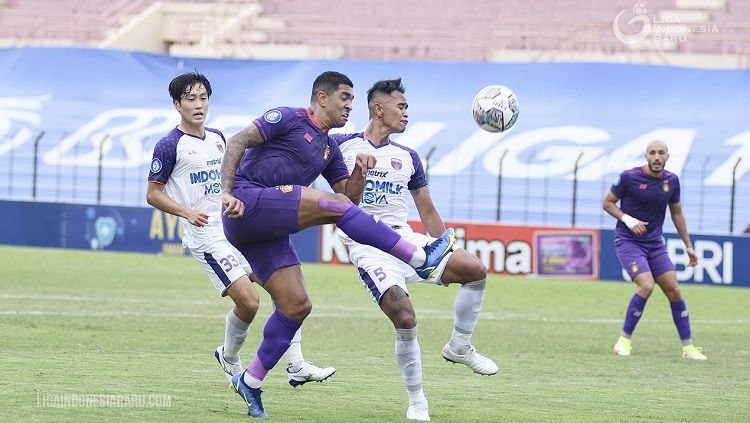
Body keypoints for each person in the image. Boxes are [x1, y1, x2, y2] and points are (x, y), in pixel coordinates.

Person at [220, 71, 456, 419]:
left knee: (296, 306)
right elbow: (237, 141)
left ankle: (251, 380)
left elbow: (348, 198)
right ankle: (418, 256)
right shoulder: (288, 117)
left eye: (352, 98)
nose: (349, 105)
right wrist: (226, 191)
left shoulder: (330, 150)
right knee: (335, 207)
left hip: (265, 231)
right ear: (322, 98)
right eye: (344, 97)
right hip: (245, 201)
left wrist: (360, 171)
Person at [146, 71, 336, 391]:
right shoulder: (169, 145)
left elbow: (235, 175)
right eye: (190, 99)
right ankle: (230, 357)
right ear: (177, 104)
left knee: (283, 292)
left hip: (235, 226)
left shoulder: (219, 137)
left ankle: (297, 363)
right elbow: (153, 193)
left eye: (203, 97)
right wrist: (186, 212)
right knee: (249, 302)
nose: (199, 105)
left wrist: (241, 197)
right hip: (206, 235)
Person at [333, 78, 498, 422]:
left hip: (405, 239)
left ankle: (459, 347)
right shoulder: (340, 145)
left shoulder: (408, 157)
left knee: (475, 270)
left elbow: (427, 210)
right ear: (379, 109)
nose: (407, 114)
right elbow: (346, 200)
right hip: (369, 248)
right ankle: (417, 400)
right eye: (402, 107)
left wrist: (446, 243)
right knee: (405, 317)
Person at [603, 140, 707, 360]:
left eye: (661, 153)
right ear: (646, 156)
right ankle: (623, 342)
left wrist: (688, 246)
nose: (657, 157)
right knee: (647, 285)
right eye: (653, 153)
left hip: (654, 244)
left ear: (668, 156)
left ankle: (688, 349)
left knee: (674, 290)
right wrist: (628, 220)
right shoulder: (629, 177)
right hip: (629, 242)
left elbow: (677, 214)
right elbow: (608, 203)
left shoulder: (672, 181)